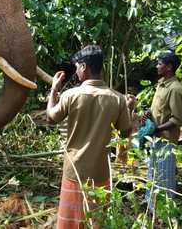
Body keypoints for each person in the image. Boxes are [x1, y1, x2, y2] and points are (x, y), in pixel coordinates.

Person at [46, 45, 133, 229]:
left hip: (74, 171)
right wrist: (128, 110)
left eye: (77, 66)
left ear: (84, 67)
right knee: (96, 222)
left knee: (70, 223)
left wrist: (54, 90)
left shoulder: (71, 95)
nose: (76, 71)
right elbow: (125, 131)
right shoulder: (117, 99)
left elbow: (51, 118)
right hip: (100, 173)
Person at [140, 52, 182, 211]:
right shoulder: (161, 84)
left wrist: (156, 129)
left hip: (165, 140)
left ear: (169, 67)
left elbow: (176, 119)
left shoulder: (175, 89)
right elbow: (159, 111)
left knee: (164, 176)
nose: (157, 66)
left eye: (160, 64)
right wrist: (148, 114)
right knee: (153, 172)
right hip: (155, 138)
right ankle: (150, 204)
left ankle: (164, 210)